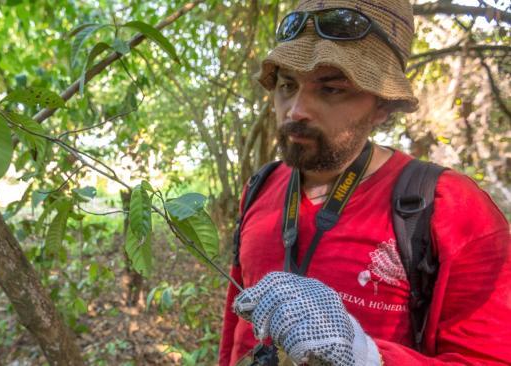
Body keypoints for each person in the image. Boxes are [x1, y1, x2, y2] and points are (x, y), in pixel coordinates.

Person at [218, 0, 511, 365]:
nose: (295, 110)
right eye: (287, 84)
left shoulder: (451, 209)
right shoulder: (260, 187)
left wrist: (365, 355)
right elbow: (236, 331)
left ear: (383, 105)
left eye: (331, 89)